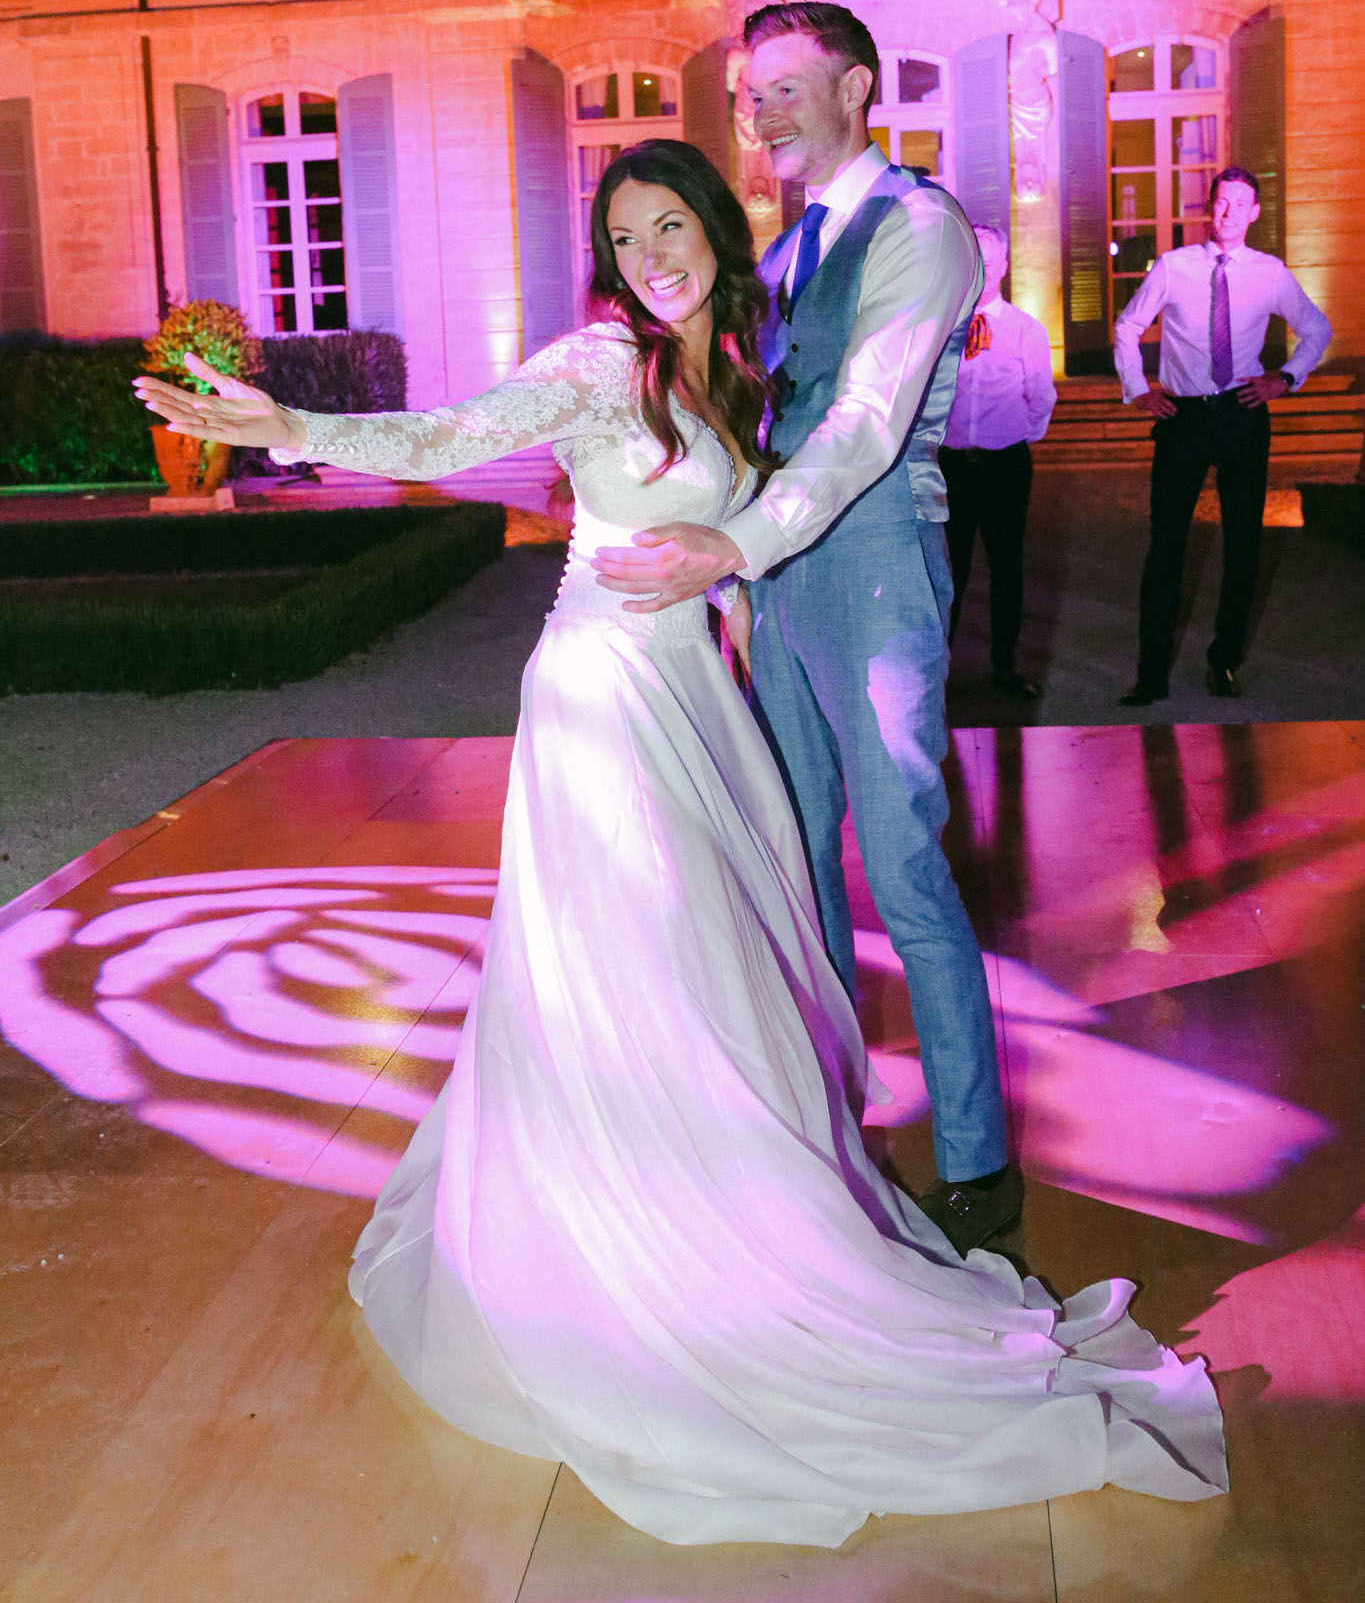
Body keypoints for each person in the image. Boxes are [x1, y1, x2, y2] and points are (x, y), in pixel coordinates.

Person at [133, 139, 1224, 1549]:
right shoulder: (602, 361)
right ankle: (644, 1251)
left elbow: (787, 504)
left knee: (710, 984)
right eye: (625, 233)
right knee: (637, 980)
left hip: (693, 702)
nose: (651, 254)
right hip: (604, 708)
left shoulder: (729, 377)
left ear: (714, 230)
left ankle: (732, 1223)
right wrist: (290, 427)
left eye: (670, 225)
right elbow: (452, 433)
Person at [594, 2, 1019, 1258]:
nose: (762, 113)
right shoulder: (777, 259)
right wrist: (731, 579)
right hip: (774, 586)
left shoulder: (923, 225)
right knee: (793, 865)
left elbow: (866, 423)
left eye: (787, 87)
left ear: (857, 88)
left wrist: (739, 545)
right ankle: (832, 1127)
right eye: (751, 93)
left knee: (906, 869)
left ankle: (977, 1162)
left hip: (876, 567)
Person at [1114, 165, 1332, 705]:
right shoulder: (1175, 265)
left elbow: (1317, 328)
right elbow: (1127, 326)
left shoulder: (1270, 272)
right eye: (1222, 201)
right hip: (1182, 417)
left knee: (1243, 543)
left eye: (1241, 203)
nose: (1230, 211)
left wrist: (1284, 377)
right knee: (1166, 545)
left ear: (1254, 213)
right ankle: (1151, 673)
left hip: (1242, 414)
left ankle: (1225, 661)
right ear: (1209, 207)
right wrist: (1138, 389)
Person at [941, 222, 1057, 701]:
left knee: (1007, 567)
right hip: (950, 466)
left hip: (1003, 465)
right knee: (950, 571)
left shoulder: (1024, 329)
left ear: (1005, 266)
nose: (982, 267)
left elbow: (1041, 397)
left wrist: (1011, 439)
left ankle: (1004, 668)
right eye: (975, 256)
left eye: (990, 257)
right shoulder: (944, 326)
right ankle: (938, 671)